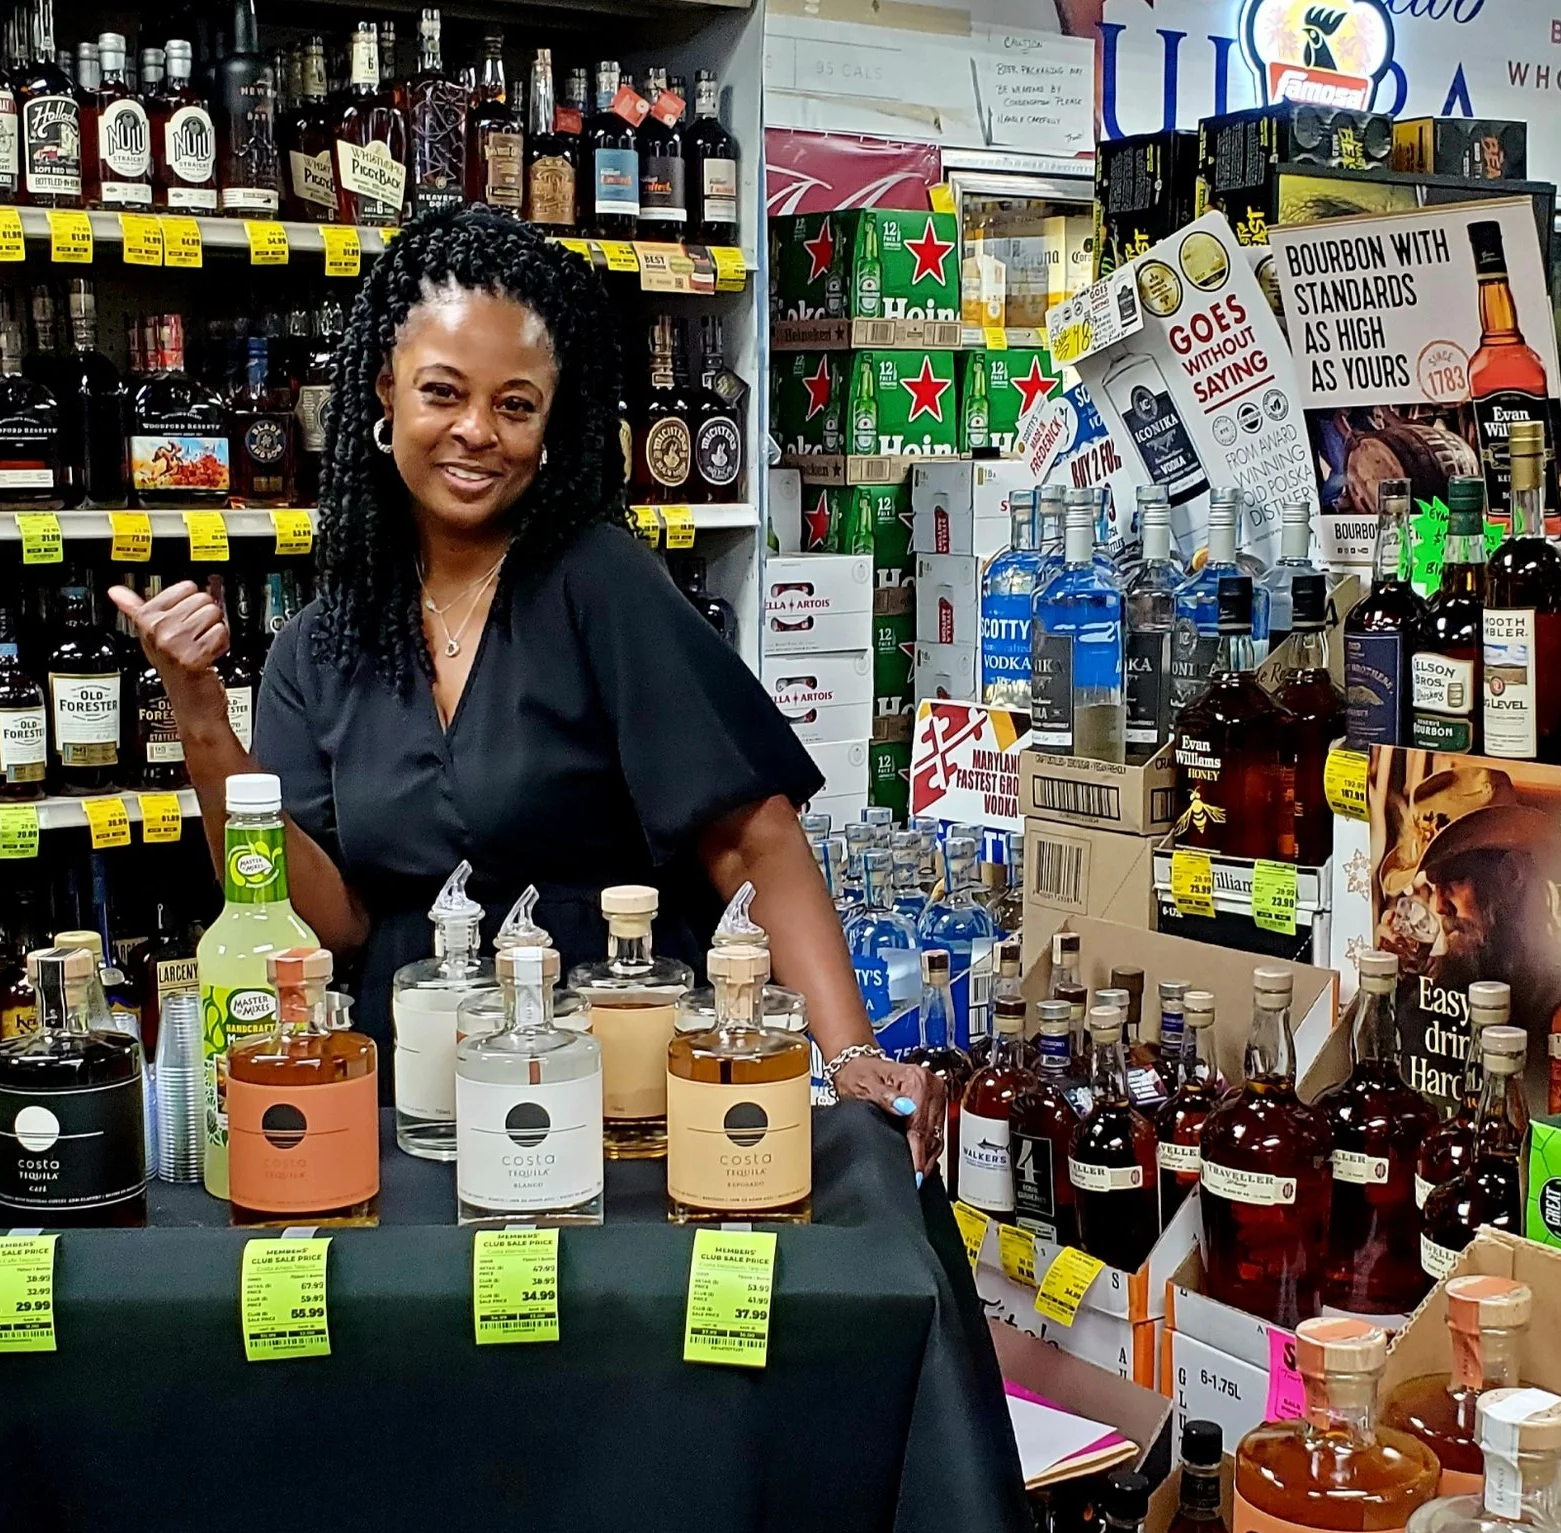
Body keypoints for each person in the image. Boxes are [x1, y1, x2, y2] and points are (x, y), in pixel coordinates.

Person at [112, 204, 942, 1166]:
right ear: (386, 395)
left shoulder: (600, 583)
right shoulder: (320, 646)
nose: (477, 432)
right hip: (410, 1112)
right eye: (443, 394)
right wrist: (204, 724)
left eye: (515, 405)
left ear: (552, 425)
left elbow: (754, 841)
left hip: (615, 1099)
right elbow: (325, 922)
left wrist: (849, 1060)